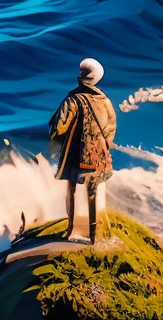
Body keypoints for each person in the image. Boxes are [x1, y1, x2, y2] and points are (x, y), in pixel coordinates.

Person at [49, 57, 116, 242]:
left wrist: (56, 142)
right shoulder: (105, 100)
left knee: (71, 188)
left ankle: (71, 230)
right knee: (93, 191)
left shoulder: (72, 99)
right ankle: (94, 235)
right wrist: (102, 147)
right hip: (99, 155)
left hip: (76, 154)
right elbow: (111, 128)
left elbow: (59, 127)